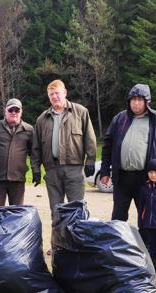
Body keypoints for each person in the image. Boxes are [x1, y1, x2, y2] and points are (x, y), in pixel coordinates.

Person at [100, 84, 156, 222]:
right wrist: (104, 171)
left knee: (147, 218)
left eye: (140, 100)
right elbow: (107, 146)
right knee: (118, 218)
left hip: (145, 179)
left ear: (147, 102)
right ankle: (118, 243)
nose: (136, 103)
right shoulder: (119, 119)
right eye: (133, 100)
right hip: (122, 178)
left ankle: (147, 244)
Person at [32, 79, 97, 213]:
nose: (54, 97)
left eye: (57, 93)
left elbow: (90, 138)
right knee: (56, 212)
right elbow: (36, 147)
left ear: (65, 92)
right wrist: (36, 169)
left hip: (74, 169)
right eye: (51, 94)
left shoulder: (80, 112)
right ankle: (59, 235)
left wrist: (90, 160)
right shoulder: (42, 119)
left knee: (76, 211)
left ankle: (75, 235)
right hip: (52, 170)